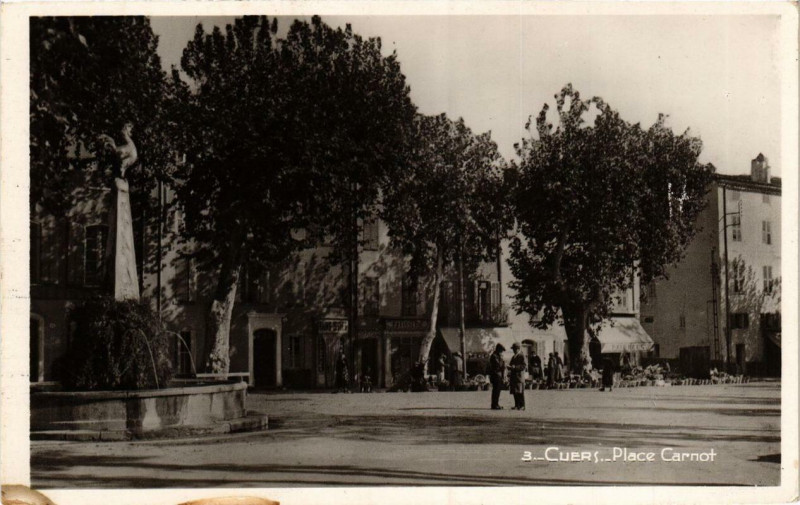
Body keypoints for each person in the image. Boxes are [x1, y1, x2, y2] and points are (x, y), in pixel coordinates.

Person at [486, 343, 506, 409]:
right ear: (498, 350)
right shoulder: (494, 356)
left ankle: (496, 404)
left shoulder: (497, 356)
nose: (501, 352)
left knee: (498, 390)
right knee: (496, 390)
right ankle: (494, 405)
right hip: (495, 375)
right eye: (501, 351)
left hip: (498, 375)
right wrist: (502, 360)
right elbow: (499, 365)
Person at [508, 342, 527, 410]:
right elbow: (511, 364)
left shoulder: (522, 356)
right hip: (514, 377)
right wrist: (509, 367)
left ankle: (522, 405)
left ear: (518, 349)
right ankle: (516, 405)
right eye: (513, 349)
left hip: (519, 377)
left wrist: (515, 367)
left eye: (514, 349)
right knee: (515, 391)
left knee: (520, 392)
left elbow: (524, 366)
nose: (513, 350)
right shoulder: (514, 356)